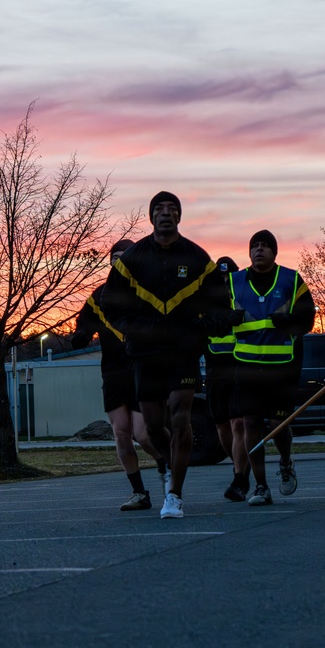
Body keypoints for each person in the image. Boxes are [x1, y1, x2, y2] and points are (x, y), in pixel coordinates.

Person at [100, 191, 234, 519]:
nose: (165, 214)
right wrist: (134, 329)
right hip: (145, 354)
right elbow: (110, 305)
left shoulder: (197, 257)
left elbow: (221, 306)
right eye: (159, 209)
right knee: (155, 425)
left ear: (179, 217)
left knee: (181, 416)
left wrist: (202, 327)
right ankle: (169, 465)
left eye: (172, 209)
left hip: (183, 352)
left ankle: (174, 494)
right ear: (151, 217)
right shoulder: (132, 258)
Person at [70, 238, 167, 511]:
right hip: (113, 374)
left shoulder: (148, 292)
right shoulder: (98, 296)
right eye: (115, 257)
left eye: (125, 256)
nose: (118, 261)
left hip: (143, 369)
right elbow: (85, 325)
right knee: (121, 433)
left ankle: (164, 463)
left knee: (143, 434)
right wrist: (80, 336)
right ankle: (139, 493)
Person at [229, 230, 315, 506]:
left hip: (283, 366)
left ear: (275, 252)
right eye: (255, 245)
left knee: (279, 424)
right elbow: (215, 316)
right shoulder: (233, 282)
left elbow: (308, 319)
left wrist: (289, 320)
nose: (260, 250)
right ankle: (261, 486)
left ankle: (286, 462)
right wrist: (225, 318)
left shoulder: (291, 279)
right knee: (250, 422)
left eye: (266, 246)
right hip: (246, 365)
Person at [205, 256, 251, 501]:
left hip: (239, 368)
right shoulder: (207, 302)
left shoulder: (244, 300)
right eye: (220, 278)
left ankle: (239, 477)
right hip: (215, 371)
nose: (224, 281)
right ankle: (242, 465)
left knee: (238, 424)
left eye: (228, 277)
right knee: (222, 427)